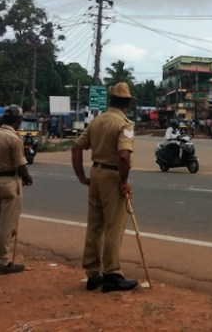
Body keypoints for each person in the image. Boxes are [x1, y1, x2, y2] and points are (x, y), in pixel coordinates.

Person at [71, 82, 138, 293]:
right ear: (127, 103)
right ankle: (112, 274)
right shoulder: (125, 125)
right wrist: (123, 181)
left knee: (95, 225)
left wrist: (81, 176)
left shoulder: (97, 121)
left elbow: (76, 147)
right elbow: (124, 156)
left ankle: (93, 273)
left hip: (96, 173)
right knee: (113, 227)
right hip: (112, 175)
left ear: (111, 100)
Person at [0, 105, 33, 275]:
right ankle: (2, 261)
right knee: (7, 225)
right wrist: (27, 178)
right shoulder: (15, 139)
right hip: (10, 182)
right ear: (18, 121)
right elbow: (21, 165)